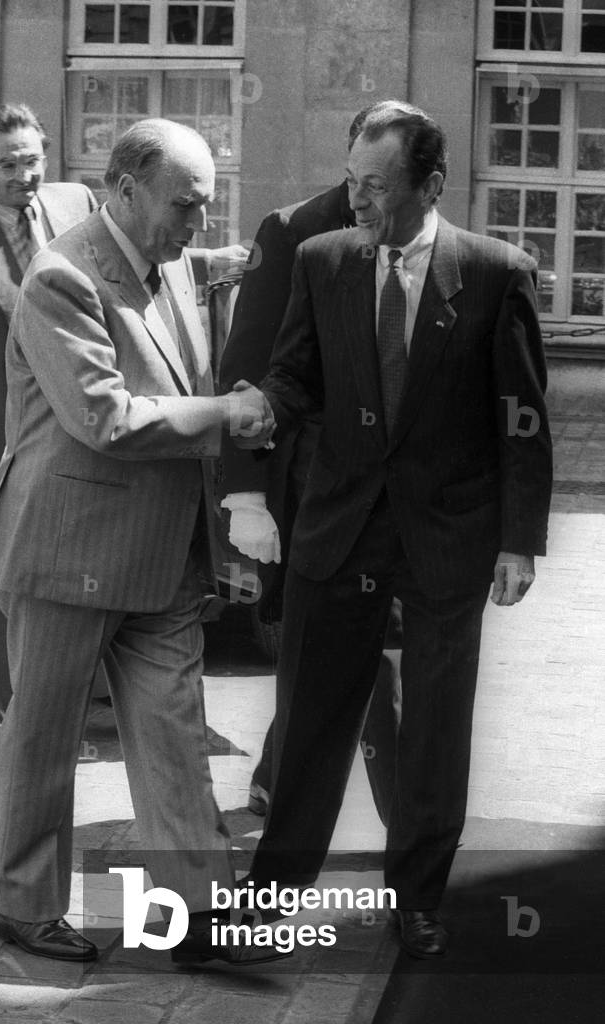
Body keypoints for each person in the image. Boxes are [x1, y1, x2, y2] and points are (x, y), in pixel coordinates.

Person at [231, 101, 553, 959]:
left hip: (448, 538)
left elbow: (520, 415)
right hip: (338, 533)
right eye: (351, 182)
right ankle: (270, 898)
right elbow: (293, 376)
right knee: (309, 725)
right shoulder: (321, 260)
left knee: (435, 732)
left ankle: (417, 902)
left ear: (430, 184)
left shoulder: (495, 273)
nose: (356, 200)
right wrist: (261, 408)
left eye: (375, 186)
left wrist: (518, 540)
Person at [0, 117, 278, 965]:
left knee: (174, 735)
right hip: (66, 551)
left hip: (163, 553)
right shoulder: (59, 278)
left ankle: (200, 918)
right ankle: (25, 908)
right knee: (43, 737)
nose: (197, 223)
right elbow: (104, 418)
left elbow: (195, 302)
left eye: (207, 205)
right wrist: (226, 415)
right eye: (184, 205)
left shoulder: (169, 257)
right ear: (125, 190)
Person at [219, 102, 401, 821]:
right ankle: (402, 806)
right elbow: (246, 366)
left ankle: (281, 774)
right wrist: (245, 495)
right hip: (313, 478)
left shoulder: (426, 235)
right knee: (342, 636)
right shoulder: (292, 229)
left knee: (351, 636)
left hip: (393, 481)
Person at [0, 104, 97, 768]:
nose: (24, 175)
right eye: (7, 164)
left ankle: (54, 722)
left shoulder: (77, 206)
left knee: (62, 585)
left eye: (33, 160)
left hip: (75, 432)